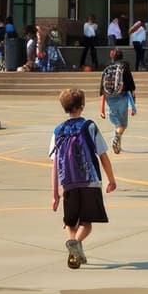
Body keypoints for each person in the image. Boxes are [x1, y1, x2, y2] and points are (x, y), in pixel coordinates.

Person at [49, 88, 116, 269]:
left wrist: (55, 194)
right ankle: (76, 243)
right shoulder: (89, 127)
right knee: (86, 223)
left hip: (68, 183)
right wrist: (111, 180)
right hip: (90, 181)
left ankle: (74, 252)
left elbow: (55, 164)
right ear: (82, 105)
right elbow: (103, 155)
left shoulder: (58, 131)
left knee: (70, 222)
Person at [98, 49, 137, 155]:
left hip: (109, 97)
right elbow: (131, 86)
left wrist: (102, 109)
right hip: (121, 96)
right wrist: (133, 104)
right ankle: (117, 137)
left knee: (117, 121)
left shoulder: (108, 68)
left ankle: (118, 144)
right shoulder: (125, 67)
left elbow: (102, 89)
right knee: (123, 124)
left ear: (112, 57)